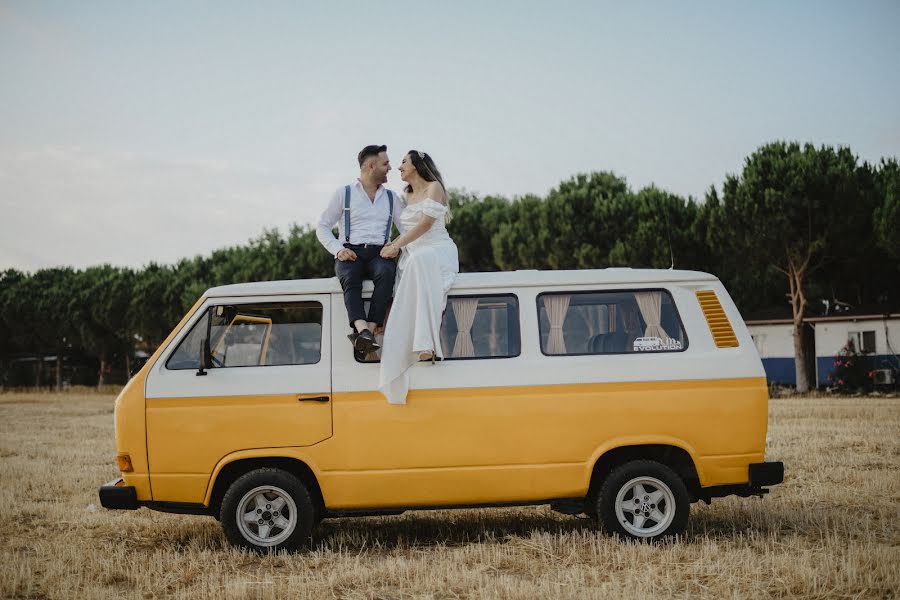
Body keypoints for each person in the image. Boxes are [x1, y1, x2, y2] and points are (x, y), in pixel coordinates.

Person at [378, 150, 459, 405]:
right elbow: (408, 229)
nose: (398, 167)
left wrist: (396, 246)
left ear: (416, 165)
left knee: (418, 261)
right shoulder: (407, 195)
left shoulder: (435, 188)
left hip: (437, 250)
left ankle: (426, 344)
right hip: (414, 252)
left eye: (403, 162)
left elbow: (424, 225)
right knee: (410, 264)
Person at [316, 145, 405, 356]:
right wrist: (338, 250)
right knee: (349, 276)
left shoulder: (392, 198)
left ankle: (369, 332)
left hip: (379, 253)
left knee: (387, 273)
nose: (390, 168)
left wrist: (396, 247)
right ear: (371, 166)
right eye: (386, 164)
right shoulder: (344, 193)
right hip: (350, 251)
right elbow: (322, 226)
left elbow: (408, 230)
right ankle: (362, 329)